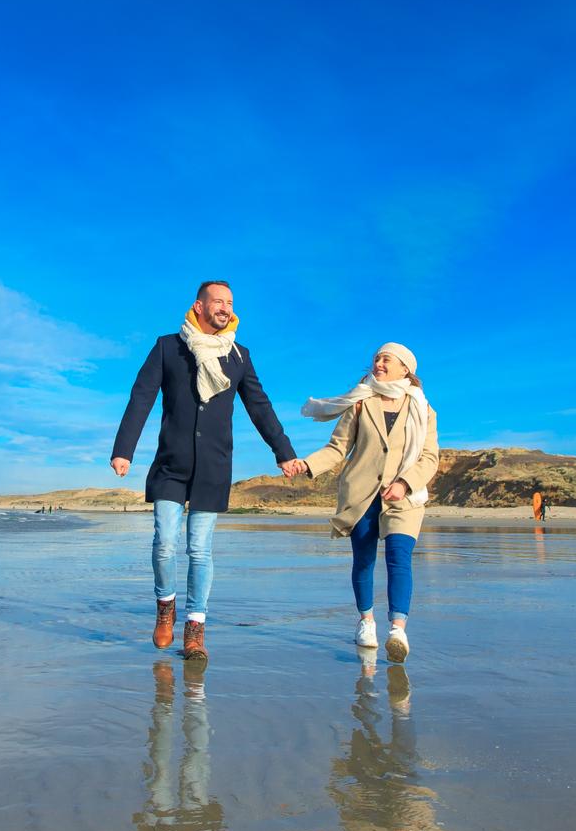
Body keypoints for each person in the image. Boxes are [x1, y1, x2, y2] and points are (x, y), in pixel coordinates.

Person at [112, 281, 302, 662]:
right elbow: (142, 397)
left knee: (200, 550)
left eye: (230, 303)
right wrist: (123, 451)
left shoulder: (239, 356)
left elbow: (259, 406)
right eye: (218, 301)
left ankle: (195, 628)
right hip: (171, 463)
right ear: (199, 306)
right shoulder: (169, 347)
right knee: (165, 542)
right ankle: (166, 606)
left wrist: (283, 452)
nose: (226, 308)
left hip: (213, 465)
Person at [291, 343, 439, 663]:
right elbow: (337, 448)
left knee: (400, 556)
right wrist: (308, 465)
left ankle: (398, 630)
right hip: (362, 493)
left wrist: (404, 483)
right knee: (364, 559)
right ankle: (366, 621)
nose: (379, 363)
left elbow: (429, 458)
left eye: (386, 359)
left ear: (405, 369)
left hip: (404, 496)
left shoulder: (423, 409)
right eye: (377, 358)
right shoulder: (360, 403)